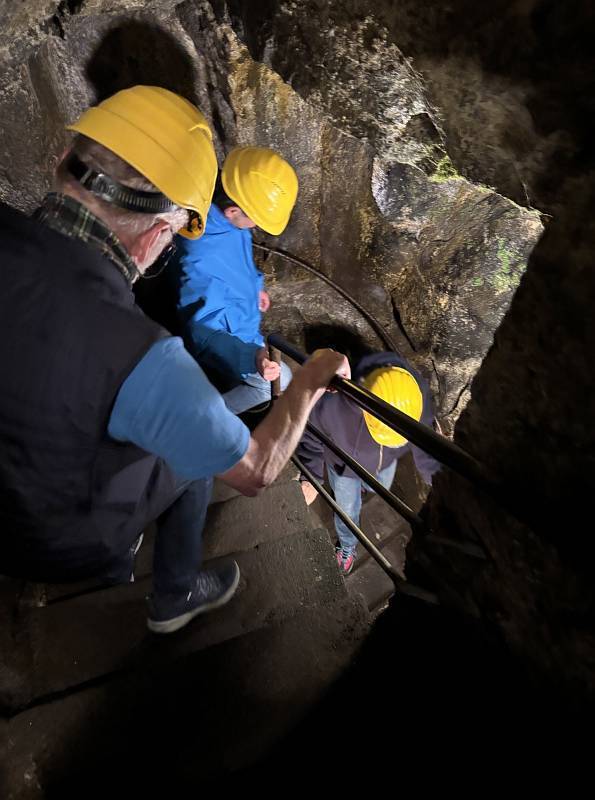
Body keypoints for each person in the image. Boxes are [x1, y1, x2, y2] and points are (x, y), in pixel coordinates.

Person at [0, 86, 349, 634]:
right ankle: (171, 594)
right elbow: (256, 469)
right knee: (196, 459)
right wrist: (308, 380)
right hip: (47, 542)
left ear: (62, 160)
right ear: (157, 236)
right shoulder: (145, 356)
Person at [172, 146, 298, 413]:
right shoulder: (201, 253)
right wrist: (252, 358)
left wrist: (255, 285)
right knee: (278, 380)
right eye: (256, 220)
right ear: (232, 211)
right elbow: (203, 332)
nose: (256, 226)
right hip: (235, 342)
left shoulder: (225, 215)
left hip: (243, 319)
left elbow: (238, 261)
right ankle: (203, 420)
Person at [297, 344, 439, 575]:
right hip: (343, 468)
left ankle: (365, 487)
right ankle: (347, 547)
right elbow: (311, 435)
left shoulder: (414, 394)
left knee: (379, 486)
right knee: (347, 512)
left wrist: (442, 481)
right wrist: (311, 475)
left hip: (383, 462)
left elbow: (425, 442)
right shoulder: (332, 403)